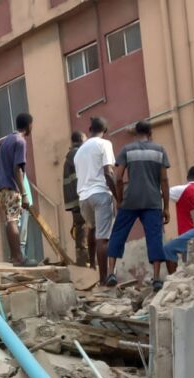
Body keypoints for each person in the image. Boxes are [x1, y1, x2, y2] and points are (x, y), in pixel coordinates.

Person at [107, 120, 170, 290]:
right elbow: (164, 179)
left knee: (118, 233)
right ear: (150, 134)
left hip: (131, 200)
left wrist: (119, 200)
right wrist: (166, 208)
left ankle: (110, 272)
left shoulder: (127, 150)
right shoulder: (160, 150)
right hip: (152, 201)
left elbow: (118, 178)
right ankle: (157, 278)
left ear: (135, 134)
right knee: (154, 236)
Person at [75, 117, 117, 285]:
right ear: (105, 131)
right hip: (100, 193)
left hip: (84, 198)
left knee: (92, 229)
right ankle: (103, 280)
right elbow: (108, 171)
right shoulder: (104, 144)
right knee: (104, 238)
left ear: (90, 128)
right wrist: (117, 196)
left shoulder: (79, 151)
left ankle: (92, 268)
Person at [0, 113, 34, 265]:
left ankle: (14, 256)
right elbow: (17, 169)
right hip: (10, 186)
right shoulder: (20, 141)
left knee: (9, 220)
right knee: (13, 220)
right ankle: (18, 257)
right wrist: (24, 193)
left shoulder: (6, 140)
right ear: (29, 125)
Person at [63, 130, 88, 266]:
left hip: (75, 200)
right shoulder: (78, 154)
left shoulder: (70, 155)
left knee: (80, 230)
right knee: (83, 231)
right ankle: (85, 264)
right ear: (81, 140)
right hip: (80, 199)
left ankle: (83, 262)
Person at [170, 166, 194, 236]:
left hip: (186, 234)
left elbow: (161, 192)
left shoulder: (182, 190)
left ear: (187, 177)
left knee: (166, 247)